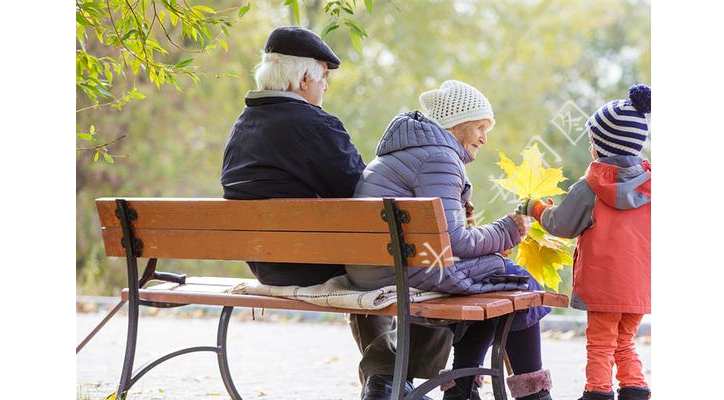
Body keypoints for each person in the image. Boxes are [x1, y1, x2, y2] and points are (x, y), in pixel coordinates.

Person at [220, 26, 452, 400]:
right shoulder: (316, 125)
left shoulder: (241, 127)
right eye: (324, 77)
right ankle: (390, 376)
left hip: (266, 262)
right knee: (435, 268)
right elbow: (361, 200)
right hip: (314, 263)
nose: (325, 87)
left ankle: (387, 379)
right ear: (304, 77)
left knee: (366, 258)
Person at [347, 80, 555, 400]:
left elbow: (448, 238)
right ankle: (530, 395)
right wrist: (508, 229)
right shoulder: (440, 157)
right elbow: (455, 242)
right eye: (480, 127)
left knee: (495, 280)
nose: (485, 138)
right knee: (516, 280)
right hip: (407, 270)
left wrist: (494, 239)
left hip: (373, 268)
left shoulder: (404, 151)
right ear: (457, 124)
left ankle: (464, 387)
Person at [516, 85, 652, 400]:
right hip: (640, 286)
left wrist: (535, 208)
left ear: (602, 145)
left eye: (592, 141)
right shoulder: (653, 189)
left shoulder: (589, 187)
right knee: (624, 340)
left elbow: (561, 224)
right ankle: (635, 388)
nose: (590, 147)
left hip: (603, 285)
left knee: (601, 343)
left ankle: (598, 392)